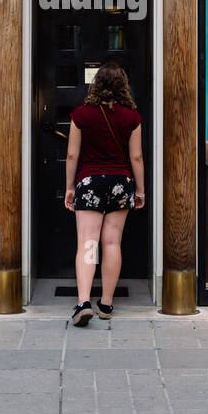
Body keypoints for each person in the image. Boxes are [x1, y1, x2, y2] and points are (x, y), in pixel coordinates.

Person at [64, 62, 145, 326]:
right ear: (124, 86)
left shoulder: (81, 115)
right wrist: (140, 190)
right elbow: (136, 156)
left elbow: (72, 155)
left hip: (89, 182)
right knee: (112, 243)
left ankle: (83, 301)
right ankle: (107, 303)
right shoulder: (132, 117)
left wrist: (69, 187)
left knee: (88, 243)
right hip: (121, 182)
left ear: (96, 84)